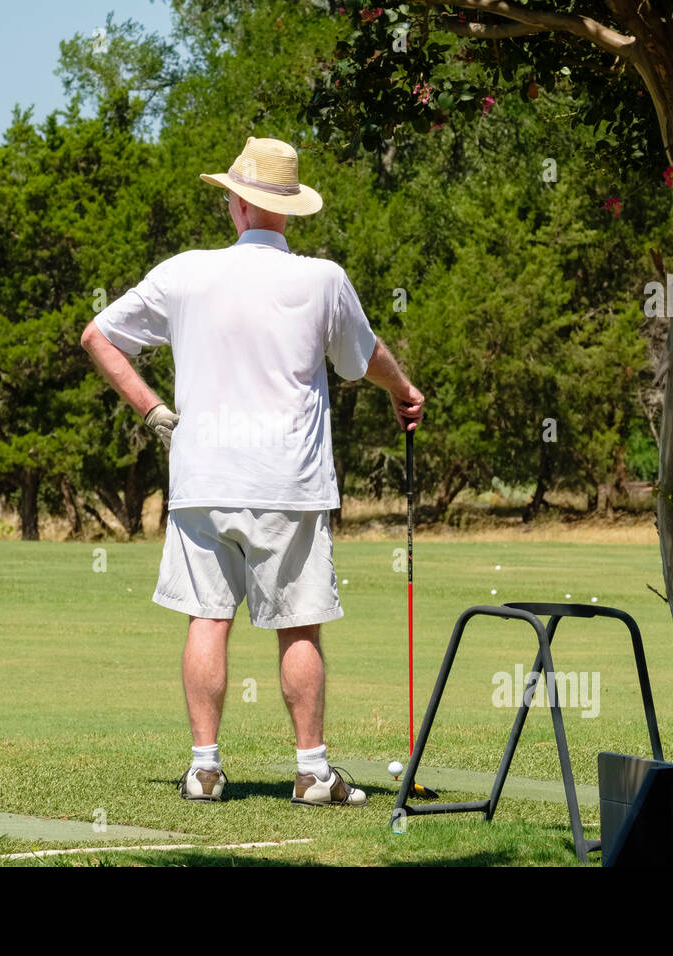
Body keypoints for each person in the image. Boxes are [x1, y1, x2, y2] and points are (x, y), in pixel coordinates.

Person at [81, 136, 424, 807]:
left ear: (236, 204)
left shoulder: (183, 273)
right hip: (287, 481)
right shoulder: (321, 279)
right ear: (287, 210)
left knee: (207, 619)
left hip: (202, 478)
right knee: (298, 625)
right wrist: (403, 391)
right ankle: (313, 772)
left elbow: (99, 336)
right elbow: (366, 358)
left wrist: (153, 411)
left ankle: (204, 769)